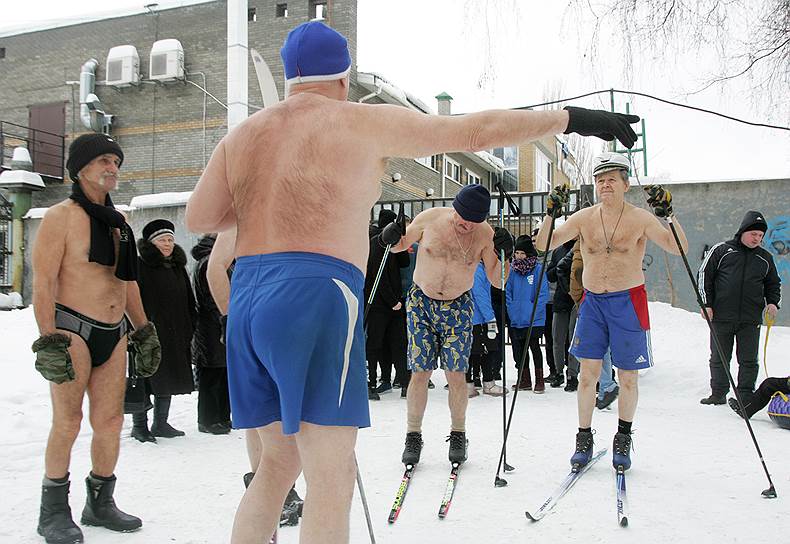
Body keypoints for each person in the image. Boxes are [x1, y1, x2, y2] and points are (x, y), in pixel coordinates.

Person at [184, 20, 639, 543]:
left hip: (250, 295)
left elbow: (202, 216)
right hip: (318, 291)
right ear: (341, 79)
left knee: (275, 467)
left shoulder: (244, 134)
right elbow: (473, 132)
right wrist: (572, 119)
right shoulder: (356, 120)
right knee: (331, 479)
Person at [31, 133, 161, 543]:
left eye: (117, 162)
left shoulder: (119, 222)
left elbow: (128, 282)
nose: (113, 168)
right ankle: (52, 512)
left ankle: (99, 502)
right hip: (72, 330)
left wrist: (143, 330)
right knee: (68, 421)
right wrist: (47, 337)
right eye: (105, 160)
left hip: (114, 331)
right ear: (81, 167)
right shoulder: (60, 217)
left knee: (109, 421)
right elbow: (44, 282)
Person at [535, 151, 688, 472]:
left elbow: (678, 248)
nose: (605, 185)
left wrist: (669, 214)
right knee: (588, 375)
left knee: (628, 378)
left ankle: (623, 437)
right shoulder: (584, 218)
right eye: (600, 180)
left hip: (627, 302)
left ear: (625, 184)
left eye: (611, 180)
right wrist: (551, 213)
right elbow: (544, 244)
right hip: (592, 303)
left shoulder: (641, 218)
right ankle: (584, 437)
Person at [697, 211, 781, 405]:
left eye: (760, 236)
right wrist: (706, 304)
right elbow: (704, 275)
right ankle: (718, 393)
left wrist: (772, 302)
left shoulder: (765, 258)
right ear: (743, 231)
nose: (757, 239)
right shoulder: (722, 250)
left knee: (749, 360)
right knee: (719, 357)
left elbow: (773, 283)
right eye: (754, 234)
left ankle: (745, 395)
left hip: (750, 319)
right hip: (721, 316)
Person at [132, 220, 196, 441]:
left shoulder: (177, 267)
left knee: (167, 377)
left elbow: (188, 298)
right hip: (149, 332)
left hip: (176, 331)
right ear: (151, 243)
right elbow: (133, 298)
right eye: (162, 240)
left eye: (170, 239)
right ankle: (139, 426)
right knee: (145, 378)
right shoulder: (140, 266)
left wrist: (190, 324)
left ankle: (161, 423)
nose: (168, 244)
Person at [365, 208, 410, 399]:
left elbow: (405, 263)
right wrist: (392, 301)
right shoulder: (375, 243)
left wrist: (401, 243)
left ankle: (404, 382)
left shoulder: (394, 244)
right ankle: (372, 382)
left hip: (395, 303)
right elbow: (377, 276)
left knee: (399, 342)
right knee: (375, 344)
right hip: (378, 303)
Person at [191, 234, 231, 434]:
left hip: (219, 324)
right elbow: (210, 298)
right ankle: (208, 419)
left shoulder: (222, 263)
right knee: (212, 373)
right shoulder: (209, 263)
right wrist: (225, 314)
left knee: (223, 372)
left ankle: (222, 416)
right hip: (211, 327)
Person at [506, 235, 550, 393]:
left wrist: (533, 312)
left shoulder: (537, 269)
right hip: (517, 317)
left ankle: (539, 380)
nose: (518, 256)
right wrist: (511, 309)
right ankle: (524, 379)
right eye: (516, 252)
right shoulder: (512, 270)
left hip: (533, 319)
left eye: (522, 253)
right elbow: (508, 292)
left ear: (529, 254)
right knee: (519, 349)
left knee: (534, 347)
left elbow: (543, 294)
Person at [467, 261, 507, 397]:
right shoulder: (477, 268)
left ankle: (474, 383)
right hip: (478, 318)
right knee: (481, 350)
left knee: (480, 350)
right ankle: (482, 383)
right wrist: (490, 316)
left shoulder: (479, 267)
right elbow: (480, 294)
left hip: (475, 316)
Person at [546, 239, 576, 388]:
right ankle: (558, 373)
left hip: (578, 299)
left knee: (573, 339)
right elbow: (549, 275)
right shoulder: (558, 251)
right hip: (561, 298)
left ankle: (572, 374)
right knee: (557, 338)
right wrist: (559, 268)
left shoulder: (583, 247)